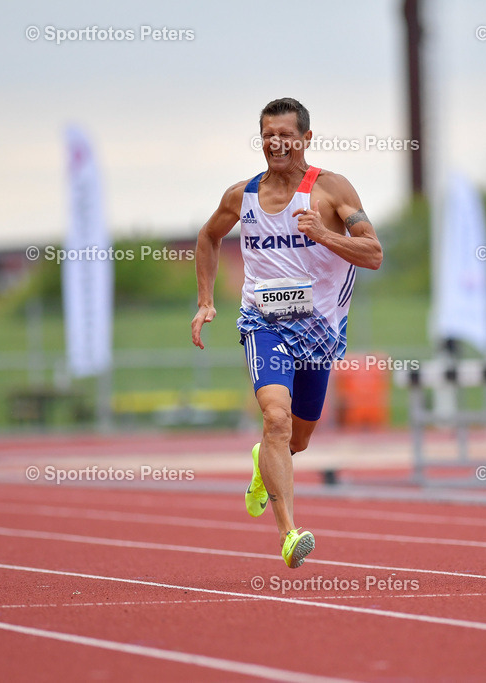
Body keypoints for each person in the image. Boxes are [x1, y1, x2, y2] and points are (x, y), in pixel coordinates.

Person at [191, 97, 383, 568]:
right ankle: (288, 534)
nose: (276, 143)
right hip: (264, 324)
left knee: (297, 440)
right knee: (275, 418)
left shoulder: (331, 190)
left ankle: (265, 466)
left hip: (318, 334)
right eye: (267, 135)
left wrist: (324, 235)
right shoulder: (243, 196)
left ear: (306, 139)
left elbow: (373, 252)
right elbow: (209, 236)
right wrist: (206, 301)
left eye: (285, 135)